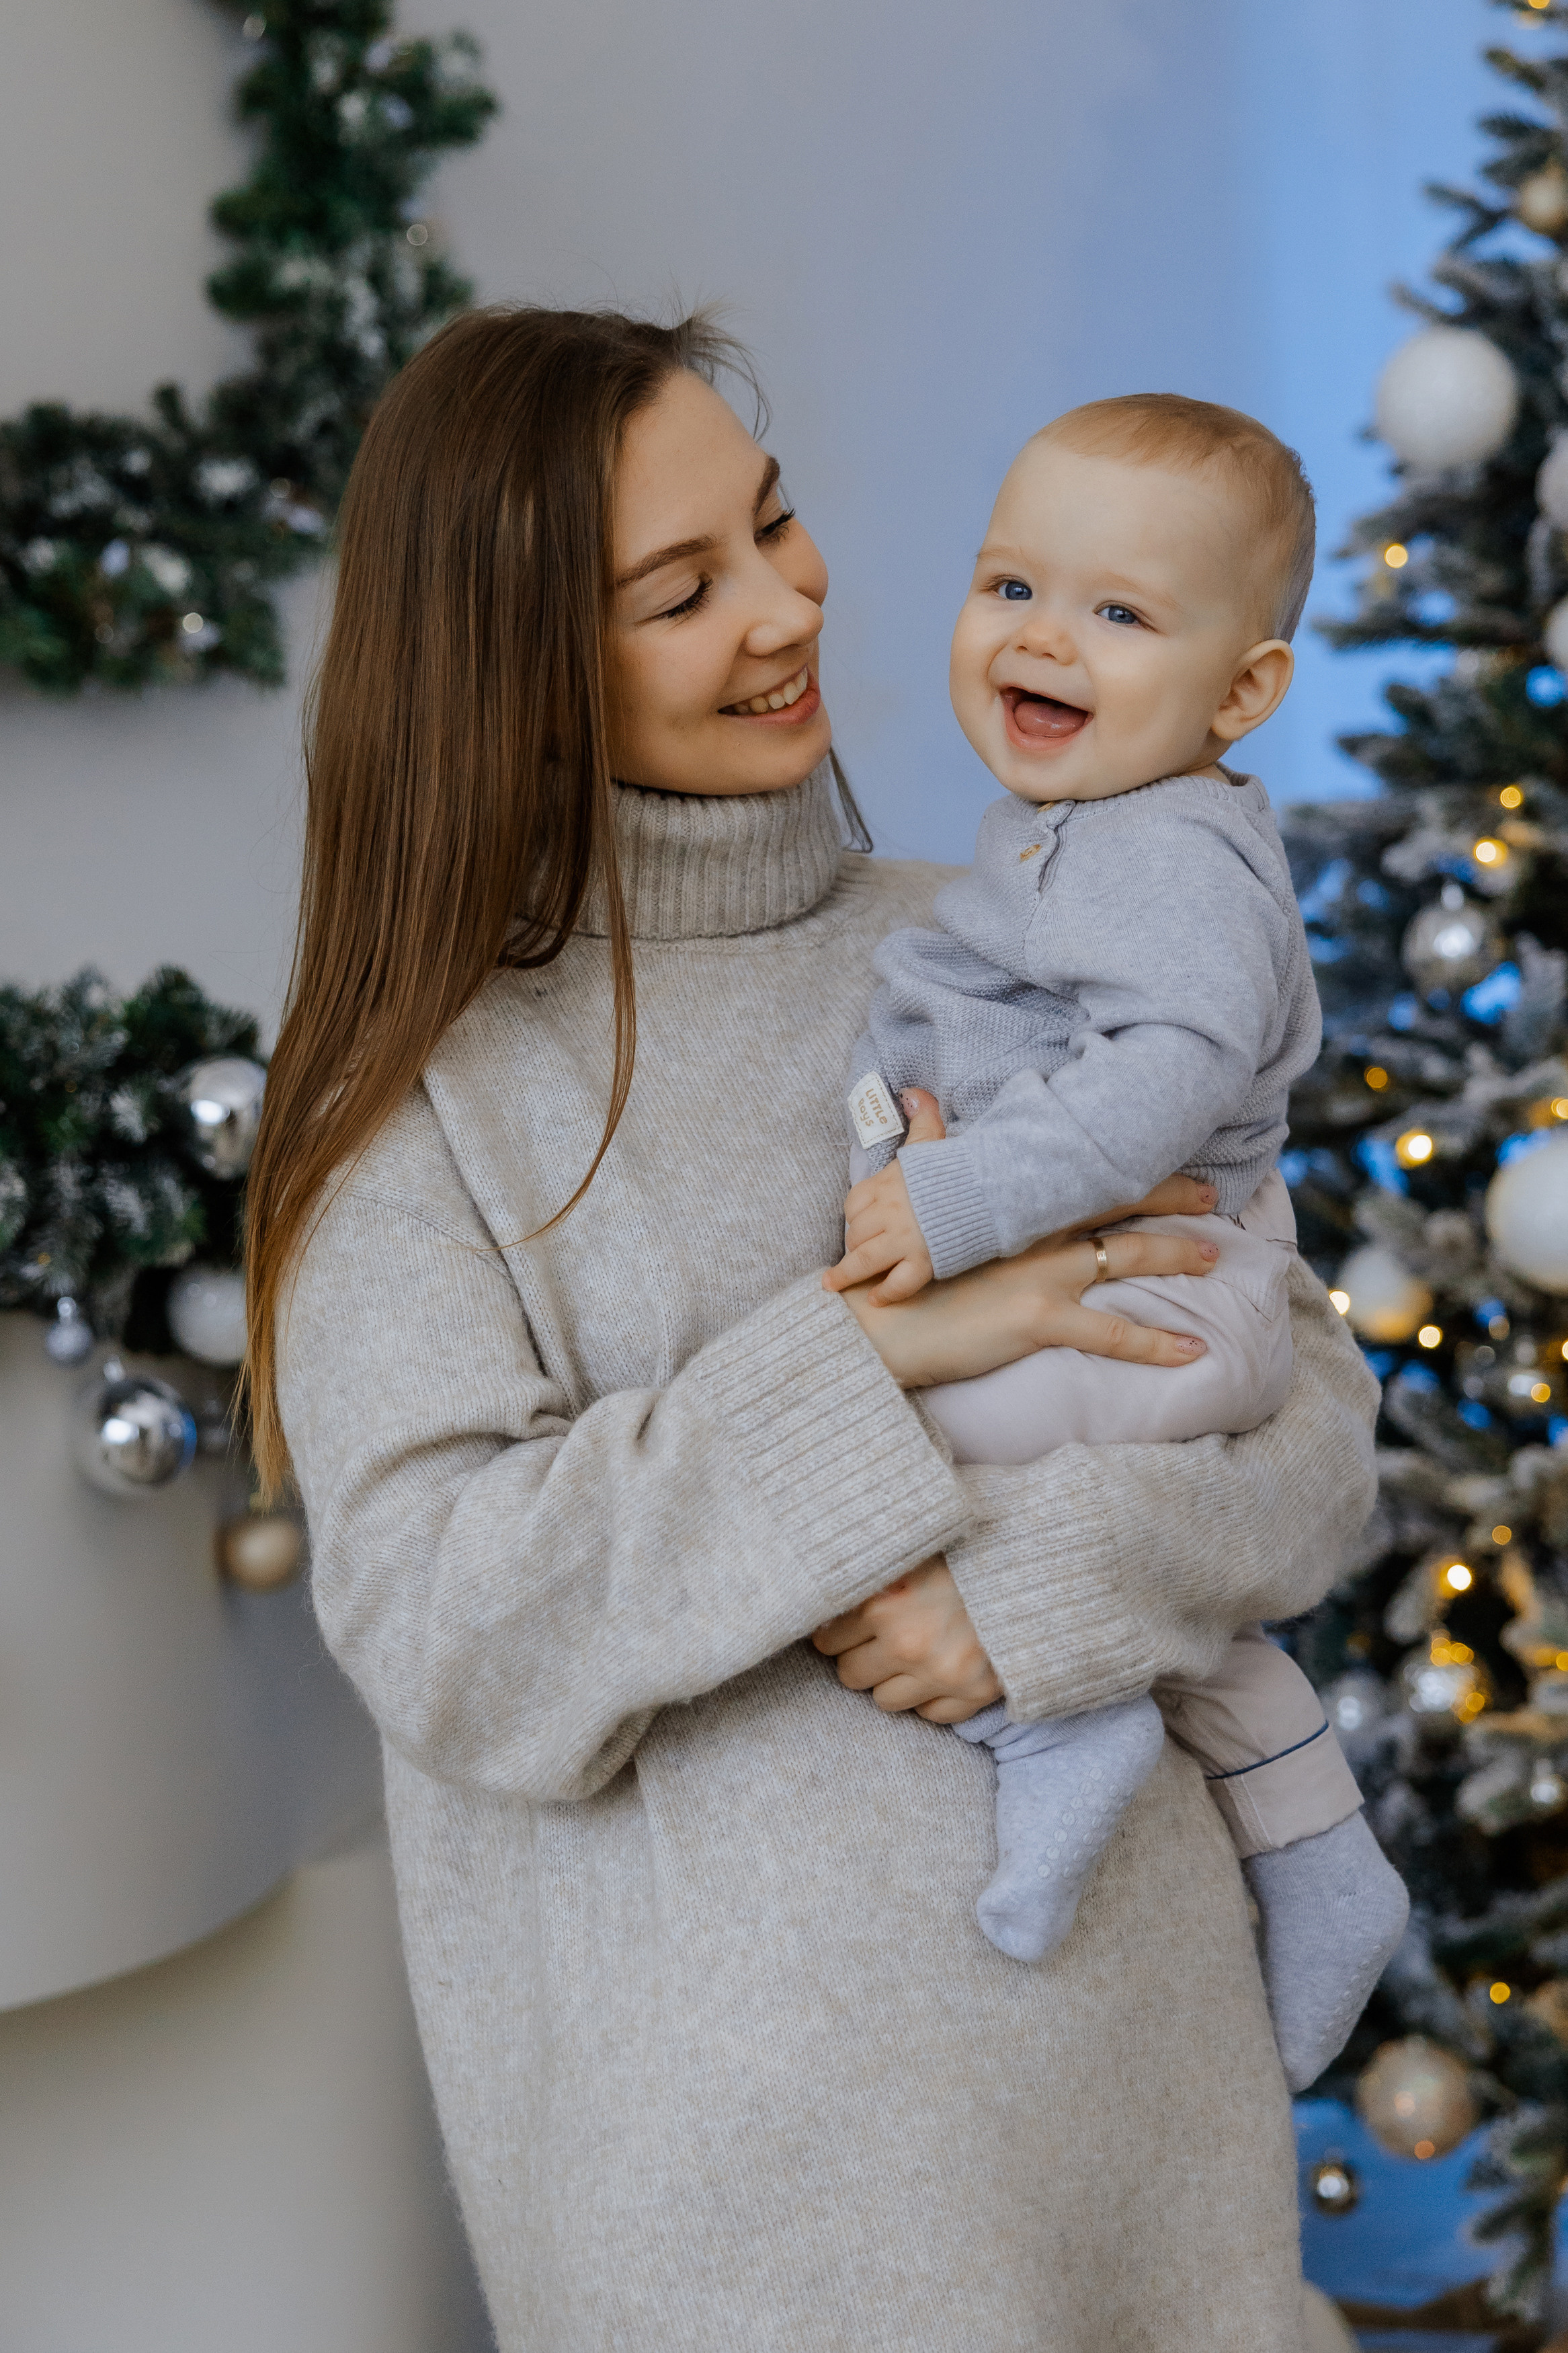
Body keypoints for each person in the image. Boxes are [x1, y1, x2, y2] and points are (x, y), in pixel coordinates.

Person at [245, 305, 1381, 2353]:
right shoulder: (412, 1107)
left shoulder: (1007, 943)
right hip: (754, 2223)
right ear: (517, 666)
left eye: (773, 526)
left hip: (1148, 2132)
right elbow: (448, 1625)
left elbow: (1303, 1414)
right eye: (682, 589)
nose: (785, 609)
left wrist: (1045, 1593)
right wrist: (878, 1354)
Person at [822, 397, 1407, 2086]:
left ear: (1242, 697)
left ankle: (1056, 1713)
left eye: (1120, 614)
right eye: (1012, 585)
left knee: (902, 1452)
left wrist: (956, 1201)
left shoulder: (1174, 862)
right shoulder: (1106, 830)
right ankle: (1320, 1853)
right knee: (1197, 1627)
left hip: (1165, 1298)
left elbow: (1168, 1074)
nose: (1043, 638)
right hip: (1158, 1299)